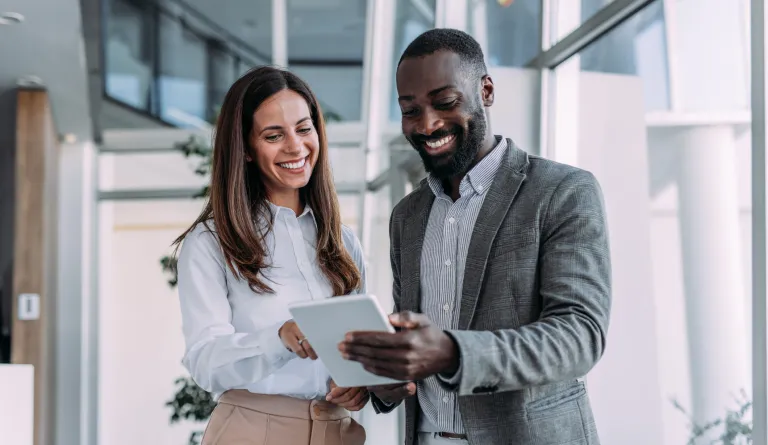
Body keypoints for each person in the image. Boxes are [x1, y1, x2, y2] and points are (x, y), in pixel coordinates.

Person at [339, 29, 612, 445]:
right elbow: (414, 347)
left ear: (485, 90)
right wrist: (387, 375)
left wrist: (452, 352)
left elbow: (579, 335)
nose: (427, 124)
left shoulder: (562, 191)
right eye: (410, 110)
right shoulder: (406, 217)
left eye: (445, 103)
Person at [174, 66, 368, 445]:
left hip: (338, 431)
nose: (295, 147)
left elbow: (356, 350)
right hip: (252, 431)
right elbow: (205, 361)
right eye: (273, 135)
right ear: (246, 149)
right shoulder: (211, 242)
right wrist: (281, 338)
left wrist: (358, 383)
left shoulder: (343, 241)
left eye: (303, 128)